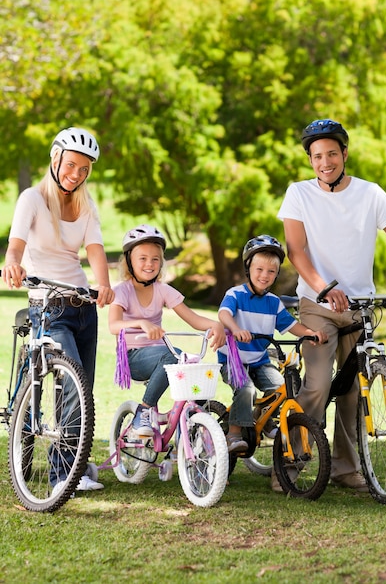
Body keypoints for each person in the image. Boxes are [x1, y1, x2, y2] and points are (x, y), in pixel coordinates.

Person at [278, 118, 386, 492]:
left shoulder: (370, 194)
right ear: (310, 159)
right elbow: (296, 250)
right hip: (317, 305)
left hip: (360, 308)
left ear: (345, 154)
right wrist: (325, 288)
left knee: (355, 391)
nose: (326, 162)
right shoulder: (299, 194)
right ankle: (290, 462)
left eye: (332, 154)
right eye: (317, 156)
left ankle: (344, 467)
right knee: (319, 384)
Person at [2, 126, 115, 493]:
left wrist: (105, 284)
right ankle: (60, 477)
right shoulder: (32, 199)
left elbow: (95, 249)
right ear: (55, 159)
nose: (76, 174)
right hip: (48, 305)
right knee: (72, 382)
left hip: (82, 304)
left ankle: (71, 465)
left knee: (81, 388)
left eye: (84, 169)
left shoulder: (86, 204)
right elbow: (16, 244)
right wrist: (13, 263)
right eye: (71, 165)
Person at [108, 224, 226, 440]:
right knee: (174, 355)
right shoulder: (122, 290)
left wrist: (215, 325)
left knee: (187, 364)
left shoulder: (162, 289)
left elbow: (193, 318)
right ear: (129, 261)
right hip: (132, 357)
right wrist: (141, 323)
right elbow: (113, 325)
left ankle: (189, 431)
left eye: (155, 259)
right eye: (142, 258)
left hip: (162, 355)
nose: (149, 264)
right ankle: (143, 411)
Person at [217, 235, 327, 454]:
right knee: (246, 389)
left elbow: (291, 325)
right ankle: (234, 434)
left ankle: (264, 418)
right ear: (249, 268)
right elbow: (223, 314)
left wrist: (310, 333)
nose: (264, 276)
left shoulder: (273, 302)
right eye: (259, 270)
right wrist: (236, 329)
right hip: (233, 359)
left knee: (282, 388)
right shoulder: (235, 294)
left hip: (259, 359)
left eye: (271, 272)